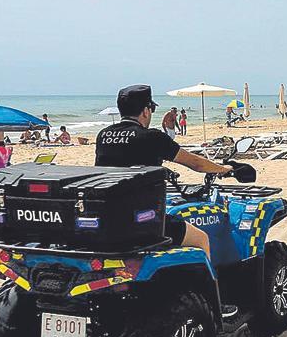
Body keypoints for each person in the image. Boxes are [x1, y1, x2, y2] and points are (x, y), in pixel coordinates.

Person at [95, 85, 232, 260]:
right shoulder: (152, 137)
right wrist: (224, 169)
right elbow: (195, 163)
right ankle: (210, 286)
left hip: (108, 217)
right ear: (145, 111)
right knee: (201, 239)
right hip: (142, 221)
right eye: (151, 109)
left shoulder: (103, 135)